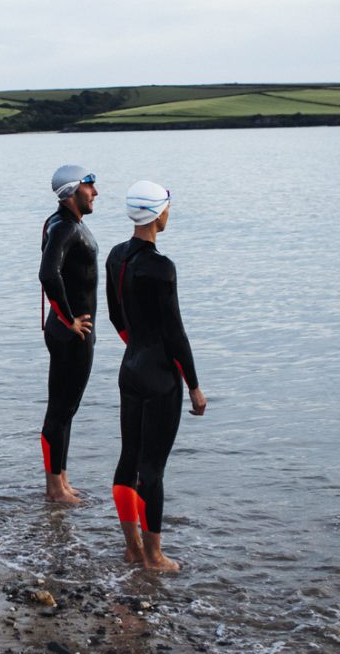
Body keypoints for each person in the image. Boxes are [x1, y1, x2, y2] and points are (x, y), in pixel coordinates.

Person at [105, 180, 206, 570]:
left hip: (129, 368)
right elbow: (175, 333)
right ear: (157, 213)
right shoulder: (162, 268)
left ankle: (131, 548)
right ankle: (154, 556)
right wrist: (194, 386)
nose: (169, 214)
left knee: (128, 460)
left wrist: (136, 346)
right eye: (168, 207)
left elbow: (116, 315)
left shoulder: (117, 257)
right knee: (153, 470)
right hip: (161, 375)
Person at [38, 164, 98, 504]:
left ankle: (61, 479)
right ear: (73, 191)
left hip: (67, 331)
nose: (96, 192)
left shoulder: (64, 223)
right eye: (90, 186)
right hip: (71, 333)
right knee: (60, 410)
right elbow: (48, 274)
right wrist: (70, 318)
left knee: (66, 409)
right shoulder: (64, 227)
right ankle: (54, 489)